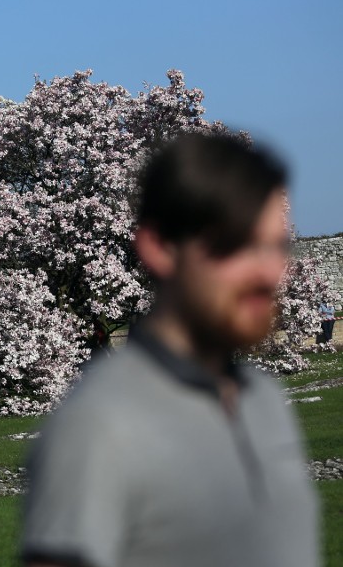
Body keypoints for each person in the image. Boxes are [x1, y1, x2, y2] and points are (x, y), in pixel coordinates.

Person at [22, 133, 318, 567]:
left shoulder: (264, 397)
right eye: (234, 245)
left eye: (276, 246)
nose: (268, 272)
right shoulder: (99, 424)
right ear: (160, 247)